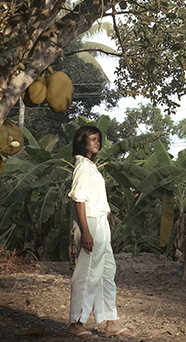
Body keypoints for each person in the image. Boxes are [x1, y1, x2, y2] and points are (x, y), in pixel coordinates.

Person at [68, 125, 131, 338]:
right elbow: (79, 199)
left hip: (101, 222)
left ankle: (111, 321)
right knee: (87, 273)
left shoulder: (90, 166)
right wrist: (86, 231)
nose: (97, 142)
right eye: (92, 139)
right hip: (90, 222)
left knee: (106, 271)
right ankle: (77, 322)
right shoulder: (82, 167)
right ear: (82, 141)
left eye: (98, 139)